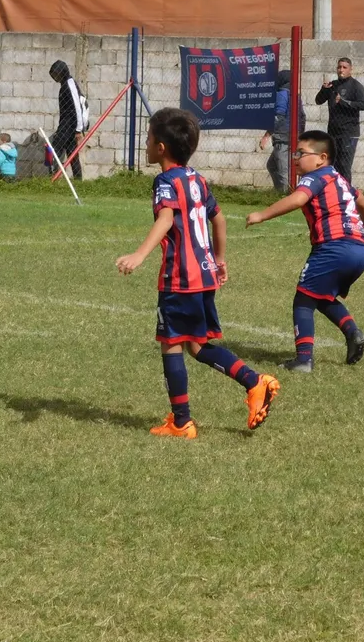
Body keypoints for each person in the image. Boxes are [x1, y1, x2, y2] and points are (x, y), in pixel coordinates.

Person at [115, 107, 280, 439]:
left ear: (161, 147)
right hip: (204, 276)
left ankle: (181, 422)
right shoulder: (197, 179)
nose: (146, 144)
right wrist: (219, 259)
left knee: (171, 343)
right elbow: (218, 219)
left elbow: (165, 219)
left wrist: (139, 255)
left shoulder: (165, 181)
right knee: (198, 345)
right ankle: (254, 382)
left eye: (148, 138)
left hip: (180, 278)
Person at [246, 130, 364, 373]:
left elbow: (298, 199)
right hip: (359, 249)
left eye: (301, 153)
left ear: (322, 158)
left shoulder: (314, 177)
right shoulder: (338, 179)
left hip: (334, 247)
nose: (296, 158)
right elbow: (361, 200)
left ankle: (303, 360)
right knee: (322, 296)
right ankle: (353, 333)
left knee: (304, 299)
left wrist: (261, 215)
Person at [315, 57, 364, 183]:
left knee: (344, 166)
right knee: (332, 165)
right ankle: (334, 192)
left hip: (349, 133)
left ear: (350, 69)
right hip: (333, 132)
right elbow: (318, 101)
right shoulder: (333, 85)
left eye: (344, 67)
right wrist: (324, 90)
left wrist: (344, 102)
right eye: (339, 67)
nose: (341, 70)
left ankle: (346, 192)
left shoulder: (356, 86)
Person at [260, 69, 306, 193]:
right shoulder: (295, 96)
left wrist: (267, 135)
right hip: (293, 136)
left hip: (282, 137)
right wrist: (300, 134)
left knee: (283, 169)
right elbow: (302, 116)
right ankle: (280, 192)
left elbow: (279, 116)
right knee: (272, 165)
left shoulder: (282, 94)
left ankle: (286, 195)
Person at [48, 60, 88, 180]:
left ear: (62, 72)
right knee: (72, 154)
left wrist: (78, 130)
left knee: (53, 149)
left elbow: (77, 107)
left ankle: (51, 176)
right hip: (67, 124)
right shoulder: (65, 84)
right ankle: (78, 179)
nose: (55, 78)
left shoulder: (69, 84)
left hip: (69, 125)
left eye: (56, 75)